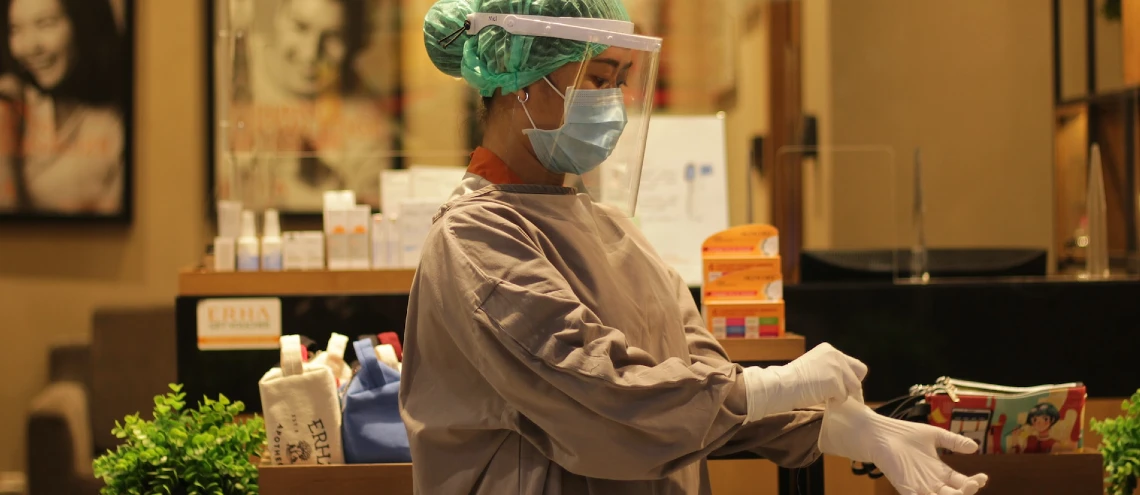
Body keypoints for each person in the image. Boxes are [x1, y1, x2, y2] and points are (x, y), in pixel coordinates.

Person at [400, 1, 990, 494]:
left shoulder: (612, 229)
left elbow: (695, 388)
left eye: (618, 84)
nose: (612, 104)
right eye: (596, 81)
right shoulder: (476, 238)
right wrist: (775, 385)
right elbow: (599, 397)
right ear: (519, 82)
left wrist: (830, 428)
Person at [231, 0, 392, 211]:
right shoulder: (232, 68)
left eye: (333, 36)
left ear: (352, 43)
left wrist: (327, 182)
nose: (310, 53)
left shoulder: (371, 120)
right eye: (300, 27)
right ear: (278, 16)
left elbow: (368, 219)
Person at [0, 0, 124, 214]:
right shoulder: (12, 100)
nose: (30, 47)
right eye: (15, 29)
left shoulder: (117, 130)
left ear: (82, 25)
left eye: (45, 24)